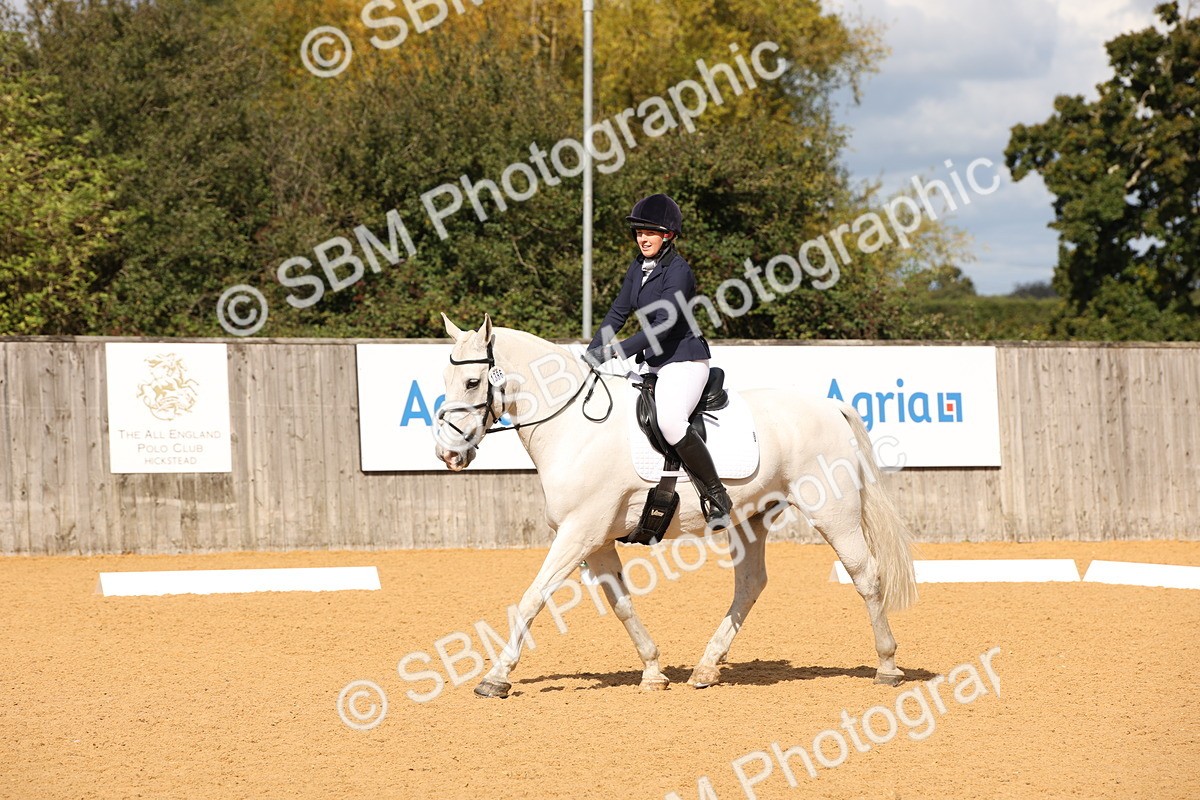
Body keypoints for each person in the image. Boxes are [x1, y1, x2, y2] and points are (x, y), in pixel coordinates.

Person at [584, 194, 732, 530]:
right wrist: (592, 351)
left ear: (668, 235)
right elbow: (618, 312)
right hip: (652, 363)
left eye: (649, 233)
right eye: (638, 233)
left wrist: (614, 351)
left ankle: (716, 494)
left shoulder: (679, 272)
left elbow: (661, 326)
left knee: (669, 421)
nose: (642, 238)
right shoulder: (637, 267)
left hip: (684, 359)